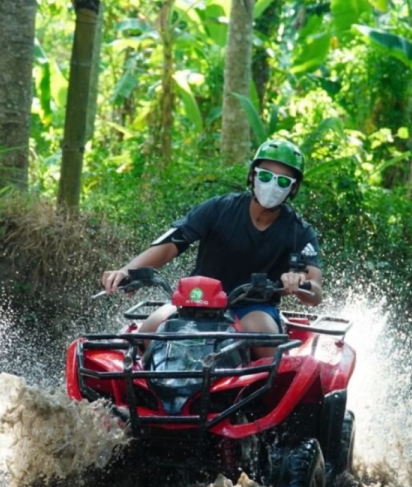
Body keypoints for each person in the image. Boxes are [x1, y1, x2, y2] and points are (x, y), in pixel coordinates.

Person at [101, 139, 323, 357]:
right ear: (252, 175)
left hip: (254, 307)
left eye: (283, 181)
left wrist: (299, 283)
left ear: (293, 188)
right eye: (265, 176)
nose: (272, 185)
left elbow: (315, 289)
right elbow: (171, 244)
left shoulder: (299, 231)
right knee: (150, 331)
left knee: (263, 338)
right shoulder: (219, 208)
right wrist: (127, 270)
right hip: (194, 300)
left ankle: (264, 390)